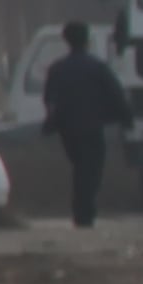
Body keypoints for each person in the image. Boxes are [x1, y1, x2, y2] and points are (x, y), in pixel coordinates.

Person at [36, 20, 131, 230]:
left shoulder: (57, 69)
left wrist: (53, 122)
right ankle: (84, 213)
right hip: (92, 127)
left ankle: (82, 211)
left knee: (80, 167)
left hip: (68, 130)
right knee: (91, 170)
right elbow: (116, 95)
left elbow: (49, 99)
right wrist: (126, 119)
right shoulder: (97, 68)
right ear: (87, 40)